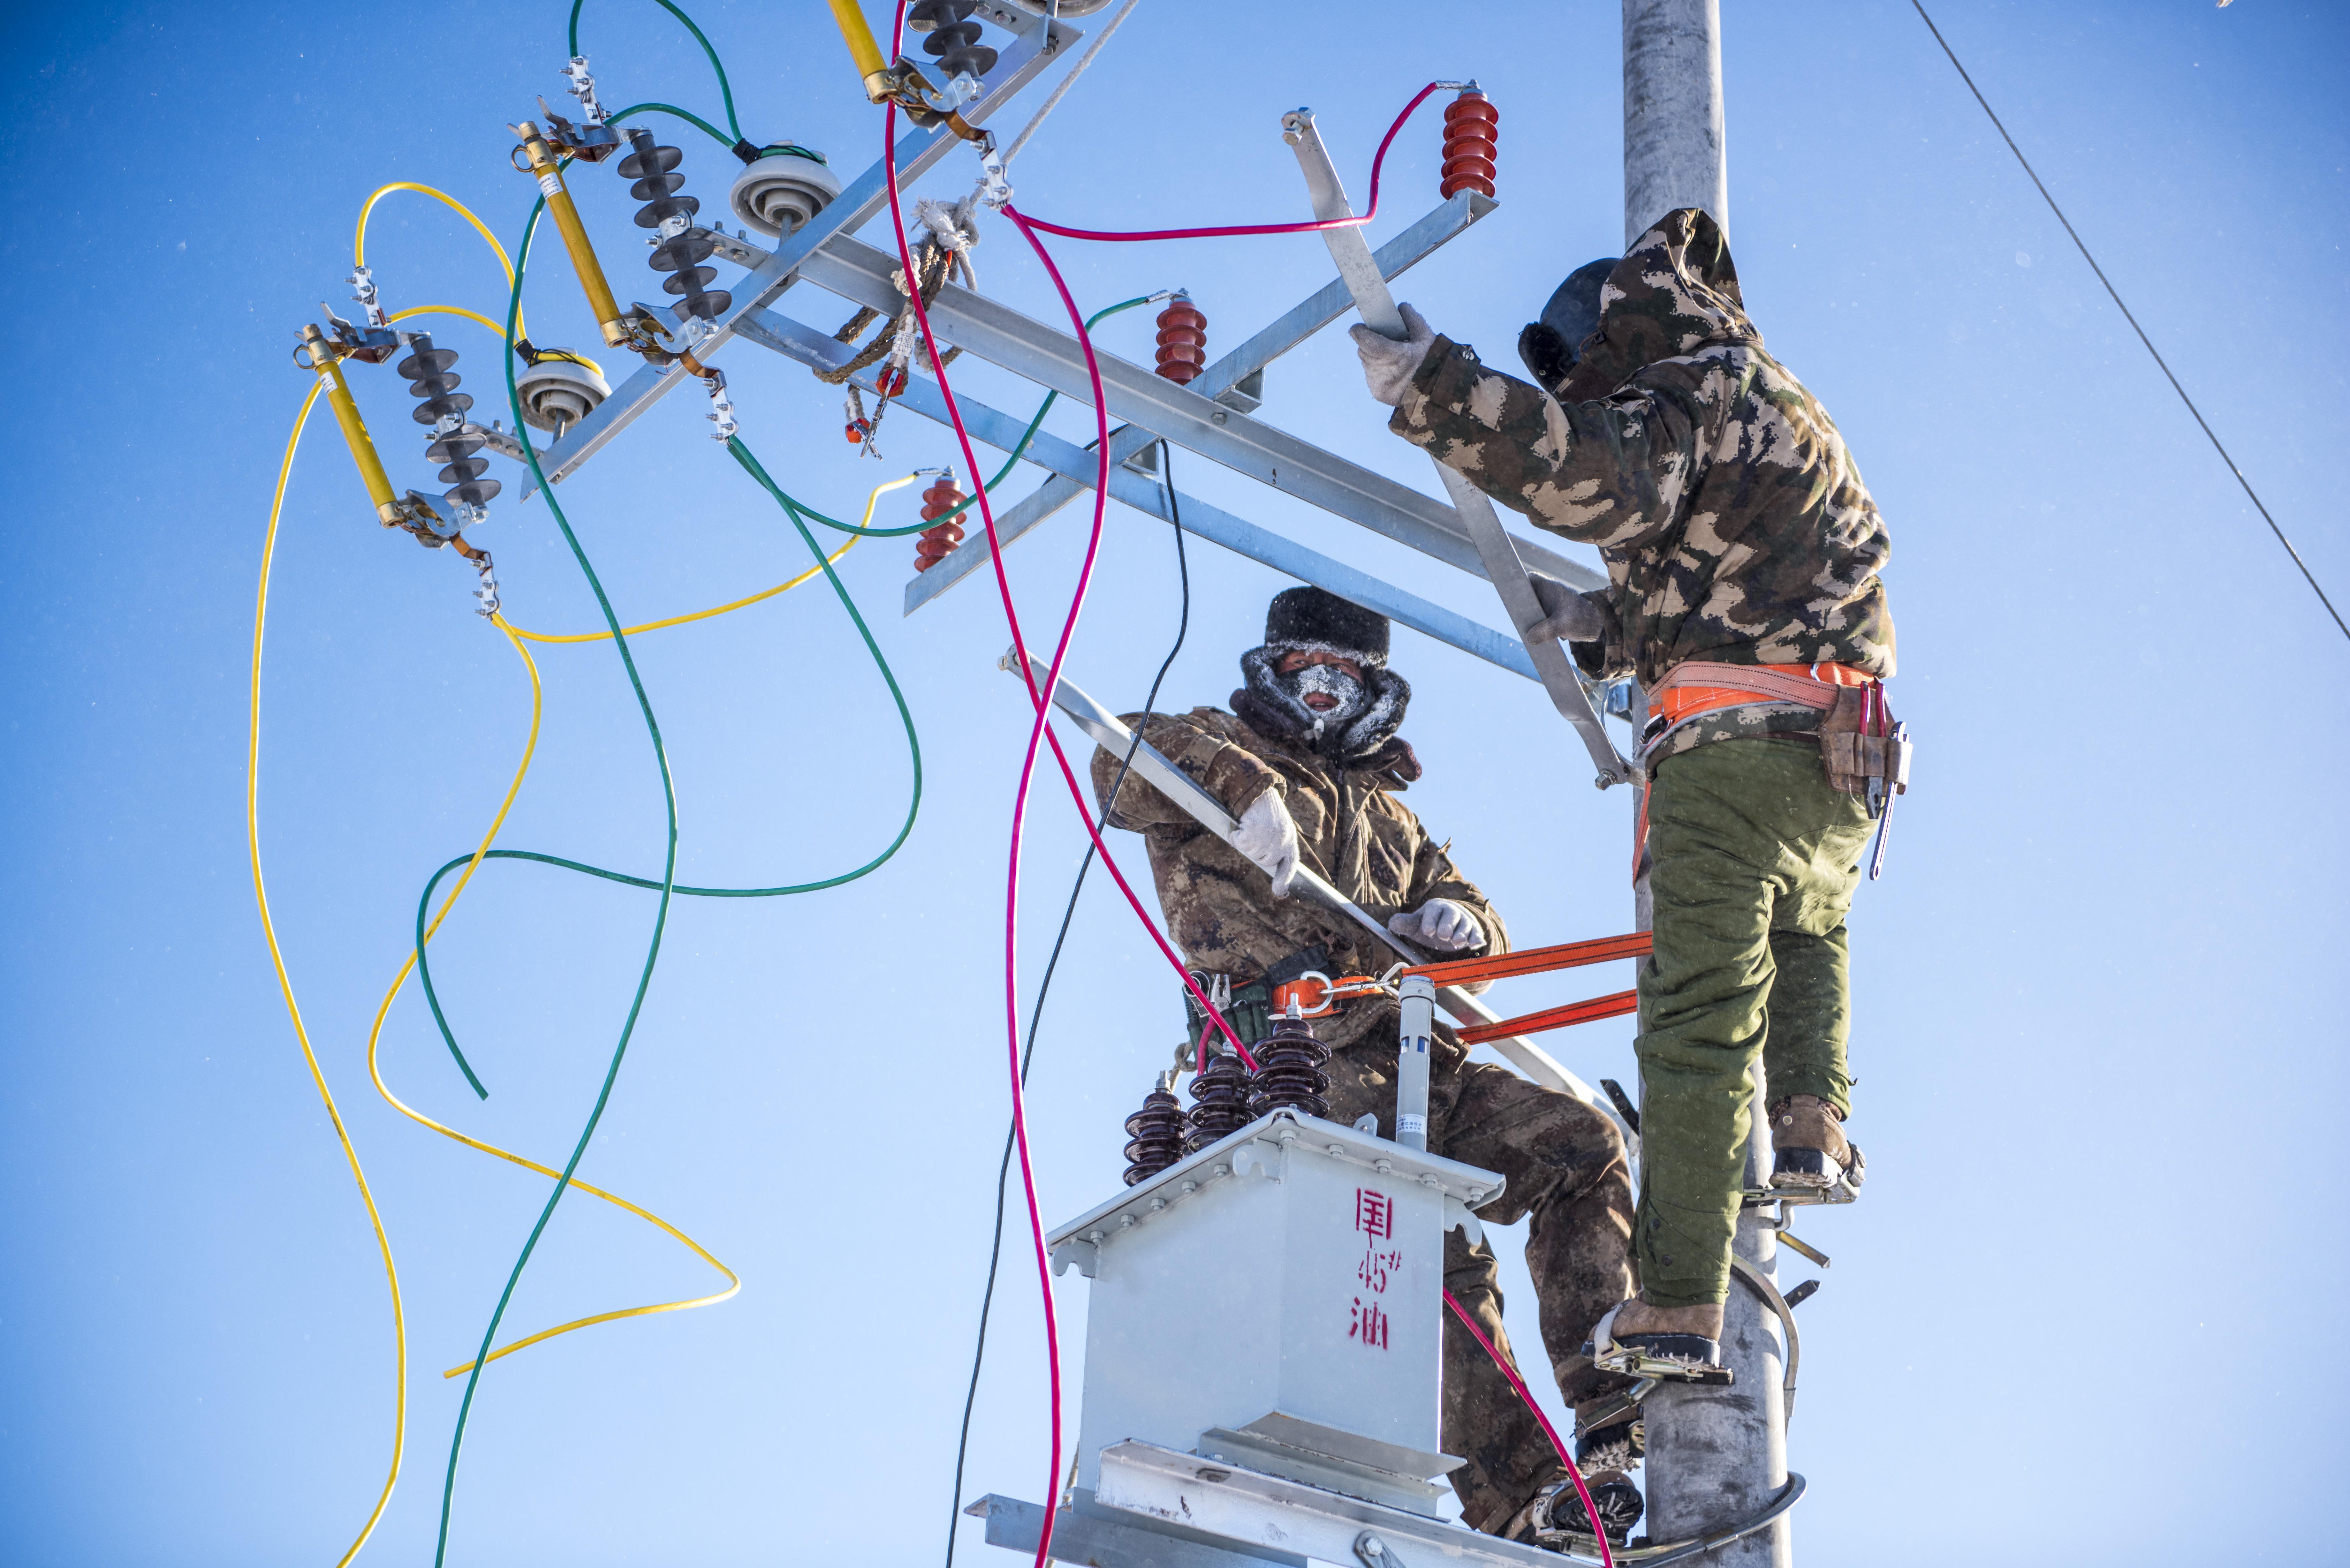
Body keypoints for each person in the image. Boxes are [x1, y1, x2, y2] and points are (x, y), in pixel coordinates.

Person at [1350, 208, 1896, 1375]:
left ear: (1619, 337)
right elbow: (1747, 574)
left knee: (1696, 1026)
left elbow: (1598, 480)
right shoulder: (1777, 396)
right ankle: (1815, 1123)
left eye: (1596, 374)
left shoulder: (1685, 386)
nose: (1598, 392)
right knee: (1810, 932)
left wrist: (1437, 389)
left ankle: (1684, 1305)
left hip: (1735, 761)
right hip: (1847, 762)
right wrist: (1605, 630)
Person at [1093, 585, 1649, 1548]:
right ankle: (1522, 1499)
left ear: (1373, 690)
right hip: (1293, 1048)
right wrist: (1240, 786)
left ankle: (1610, 1402)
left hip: (1416, 1055)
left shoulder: (1393, 818)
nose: (1324, 690)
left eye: (1345, 675)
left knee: (1577, 1143)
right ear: (1277, 667)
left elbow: (1469, 912)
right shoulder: (1211, 745)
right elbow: (1119, 758)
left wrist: (1462, 927)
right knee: (1422, 1253)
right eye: (1309, 668)